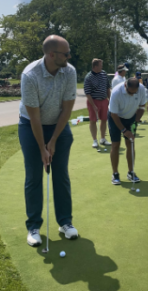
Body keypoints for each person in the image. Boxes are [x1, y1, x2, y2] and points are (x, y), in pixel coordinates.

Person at [19, 35, 79, 246]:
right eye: (66, 53)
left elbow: (67, 109)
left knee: (60, 174)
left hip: (58, 126)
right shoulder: (30, 75)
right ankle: (33, 226)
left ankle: (65, 222)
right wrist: (42, 147)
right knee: (34, 175)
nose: (69, 56)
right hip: (30, 125)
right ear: (52, 55)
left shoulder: (69, 71)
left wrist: (52, 140)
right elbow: (34, 117)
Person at [108, 78, 146, 185]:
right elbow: (113, 114)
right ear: (125, 86)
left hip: (131, 118)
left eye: (135, 92)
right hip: (115, 117)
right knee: (115, 145)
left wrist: (135, 123)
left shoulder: (141, 89)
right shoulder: (116, 92)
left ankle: (131, 172)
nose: (132, 94)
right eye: (130, 92)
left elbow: (142, 107)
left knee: (130, 143)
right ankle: (115, 174)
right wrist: (124, 130)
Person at [84, 58, 110, 150]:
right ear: (95, 67)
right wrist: (93, 105)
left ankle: (102, 138)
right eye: (100, 65)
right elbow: (87, 93)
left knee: (104, 119)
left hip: (104, 100)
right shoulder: (88, 77)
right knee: (93, 120)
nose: (102, 67)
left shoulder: (103, 73)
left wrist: (109, 99)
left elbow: (107, 87)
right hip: (93, 101)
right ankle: (95, 140)